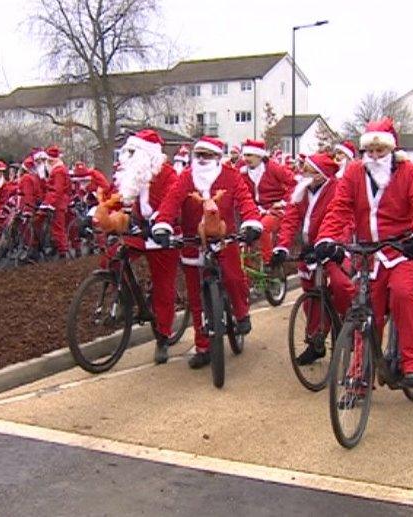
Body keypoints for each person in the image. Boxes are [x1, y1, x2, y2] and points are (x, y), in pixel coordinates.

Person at [314, 118, 413, 386]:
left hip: (402, 249)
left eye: (381, 151)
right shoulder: (354, 172)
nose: (375, 155)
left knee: (403, 294)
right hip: (368, 253)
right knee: (367, 310)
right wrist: (326, 238)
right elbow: (340, 208)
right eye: (370, 150)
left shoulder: (408, 172)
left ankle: (412, 361)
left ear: (392, 150)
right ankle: (360, 373)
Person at [152, 135, 263, 369]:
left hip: (225, 238)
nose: (201, 159)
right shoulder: (185, 177)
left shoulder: (231, 176)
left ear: (217, 156)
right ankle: (203, 347)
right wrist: (163, 224)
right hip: (193, 242)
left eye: (207, 155)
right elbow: (170, 202)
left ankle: (241, 313)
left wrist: (251, 222)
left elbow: (245, 200)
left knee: (233, 277)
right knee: (195, 298)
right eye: (198, 154)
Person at [108, 129, 183, 363]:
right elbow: (117, 199)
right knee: (113, 256)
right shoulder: (131, 174)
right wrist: (101, 214)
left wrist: (160, 222)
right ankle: (126, 298)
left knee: (163, 286)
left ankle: (162, 338)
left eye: (133, 151)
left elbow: (174, 201)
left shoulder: (168, 174)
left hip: (164, 234)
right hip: (141, 231)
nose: (128, 156)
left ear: (146, 154)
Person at [271, 153, 352, 364]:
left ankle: (350, 322)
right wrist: (281, 247)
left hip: (333, 245)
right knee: (311, 294)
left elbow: (343, 219)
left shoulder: (337, 190)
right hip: (310, 249)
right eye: (303, 169)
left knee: (341, 284)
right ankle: (316, 341)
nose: (303, 173)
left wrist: (333, 244)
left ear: (320, 175)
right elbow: (290, 220)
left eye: (308, 170)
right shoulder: (301, 191)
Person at [238, 139, 295, 264]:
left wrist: (284, 201)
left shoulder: (273, 168)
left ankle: (269, 263)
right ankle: (246, 268)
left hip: (275, 209)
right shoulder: (242, 172)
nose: (246, 159)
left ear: (259, 155)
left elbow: (294, 183)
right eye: (245, 155)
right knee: (246, 234)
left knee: (262, 229)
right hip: (255, 210)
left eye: (249, 155)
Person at [38, 146, 72, 258]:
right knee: (57, 227)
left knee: (58, 228)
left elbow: (58, 189)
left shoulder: (59, 171)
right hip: (57, 201)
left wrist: (50, 203)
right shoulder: (59, 169)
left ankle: (63, 252)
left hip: (58, 203)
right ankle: (59, 249)